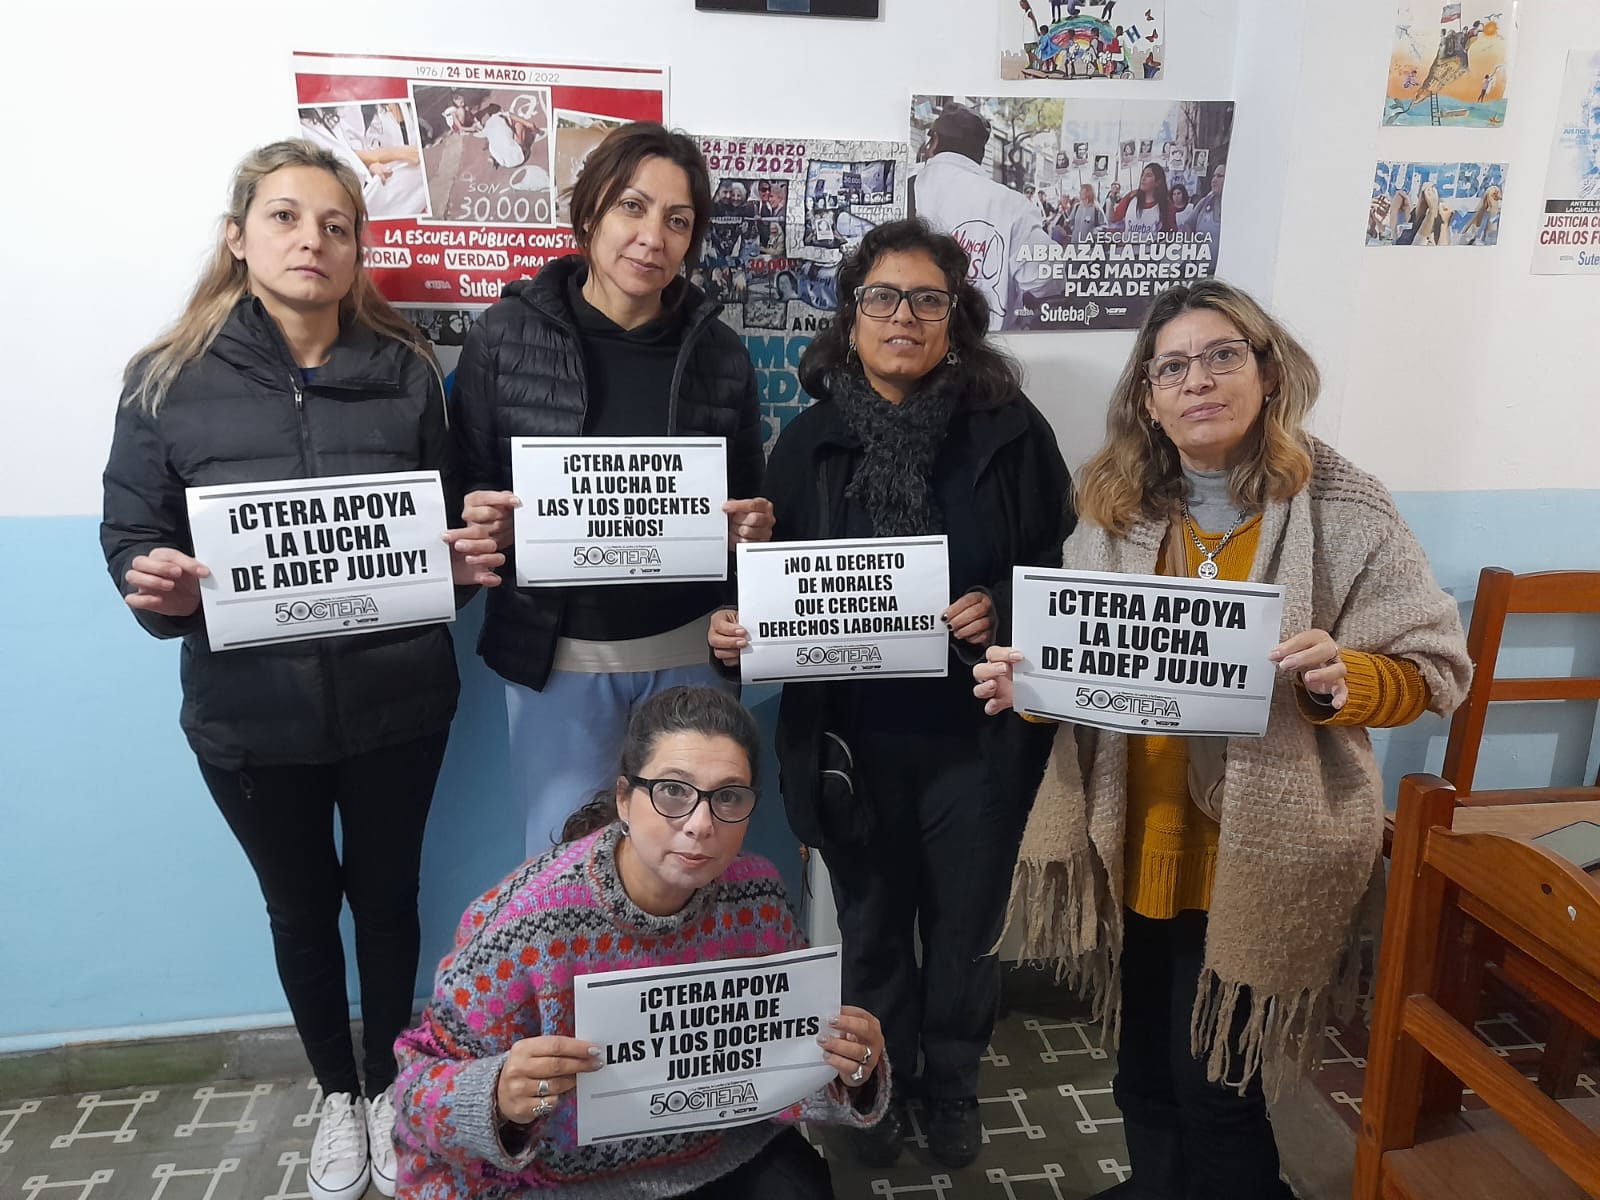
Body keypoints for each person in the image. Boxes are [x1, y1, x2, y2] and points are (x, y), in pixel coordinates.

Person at [973, 278, 1470, 1200]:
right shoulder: (1113, 508)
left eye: (1222, 356)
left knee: (1218, 1091)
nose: (1197, 381)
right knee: (1142, 1075)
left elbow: (1436, 669)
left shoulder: (1345, 509)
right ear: (1148, 399)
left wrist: (1346, 677)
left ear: (1268, 371)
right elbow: (1077, 671)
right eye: (1172, 368)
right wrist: (1028, 690)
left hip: (1262, 849)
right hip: (1136, 835)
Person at [100, 139, 505, 1200]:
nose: (311, 241)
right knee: (299, 911)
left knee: (388, 900)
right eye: (284, 217)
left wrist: (463, 568)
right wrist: (155, 584)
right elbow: (130, 532)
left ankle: (392, 1089)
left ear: (358, 247)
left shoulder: (407, 370)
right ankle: (338, 1094)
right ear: (238, 237)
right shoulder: (165, 378)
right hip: (249, 719)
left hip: (399, 704)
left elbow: (443, 534)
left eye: (334, 225)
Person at [709, 218, 1073, 1169]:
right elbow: (771, 595)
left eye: (926, 299)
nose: (902, 316)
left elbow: (1054, 571)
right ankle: (873, 1086)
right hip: (852, 745)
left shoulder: (1012, 432)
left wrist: (1000, 607)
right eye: (881, 297)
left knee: (965, 932)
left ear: (957, 317)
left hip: (977, 741)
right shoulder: (808, 443)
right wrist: (736, 636)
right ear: (851, 315)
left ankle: (950, 1085)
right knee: (870, 933)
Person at [393, 686, 889, 1198]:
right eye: (673, 791)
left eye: (728, 797)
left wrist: (850, 1071)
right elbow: (414, 1091)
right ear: (625, 799)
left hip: (716, 1150)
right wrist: (497, 1098)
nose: (700, 824)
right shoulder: (526, 923)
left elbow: (787, 1055)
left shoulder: (757, 894)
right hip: (559, 1179)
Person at [450, 123, 773, 858]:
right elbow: (465, 481)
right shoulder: (502, 337)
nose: (652, 237)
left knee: (689, 861)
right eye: (633, 206)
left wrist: (751, 531)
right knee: (564, 869)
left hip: (691, 654)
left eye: (677, 220)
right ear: (591, 209)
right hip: (559, 657)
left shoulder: (721, 353)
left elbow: (747, 506)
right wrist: (481, 518)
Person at [911, 104, 1062, 331]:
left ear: (934, 140)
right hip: (982, 344)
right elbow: (1046, 279)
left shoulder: (903, 189)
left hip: (910, 338)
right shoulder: (1011, 205)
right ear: (980, 154)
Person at [1111, 162, 1176, 234]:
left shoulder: (1166, 205)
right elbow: (1114, 222)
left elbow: (1171, 233)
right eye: (1142, 175)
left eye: (1148, 175)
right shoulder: (1130, 198)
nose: (1143, 178)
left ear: (1158, 182)